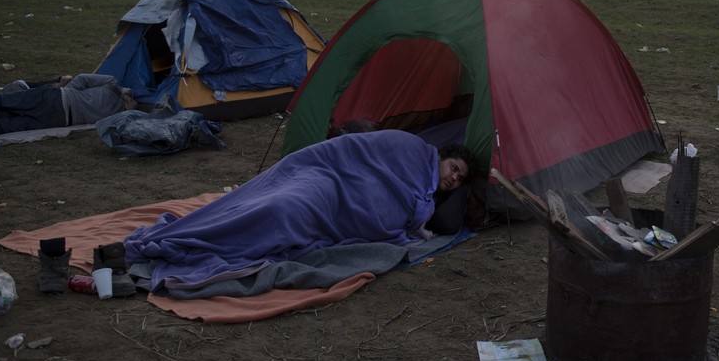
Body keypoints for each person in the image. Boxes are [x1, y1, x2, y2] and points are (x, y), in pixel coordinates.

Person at [123, 130, 477, 292]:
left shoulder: (425, 200)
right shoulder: (411, 148)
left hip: (335, 209)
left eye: (459, 178)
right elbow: (354, 150)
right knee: (281, 202)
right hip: (323, 176)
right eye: (453, 168)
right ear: (441, 158)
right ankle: (192, 236)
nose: (454, 177)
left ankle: (212, 240)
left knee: (285, 213)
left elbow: (391, 212)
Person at [0, 73, 137, 152]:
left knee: (0, 101)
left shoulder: (112, 83)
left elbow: (81, 79)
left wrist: (65, 84)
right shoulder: (119, 114)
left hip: (57, 99)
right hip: (61, 120)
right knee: (0, 125)